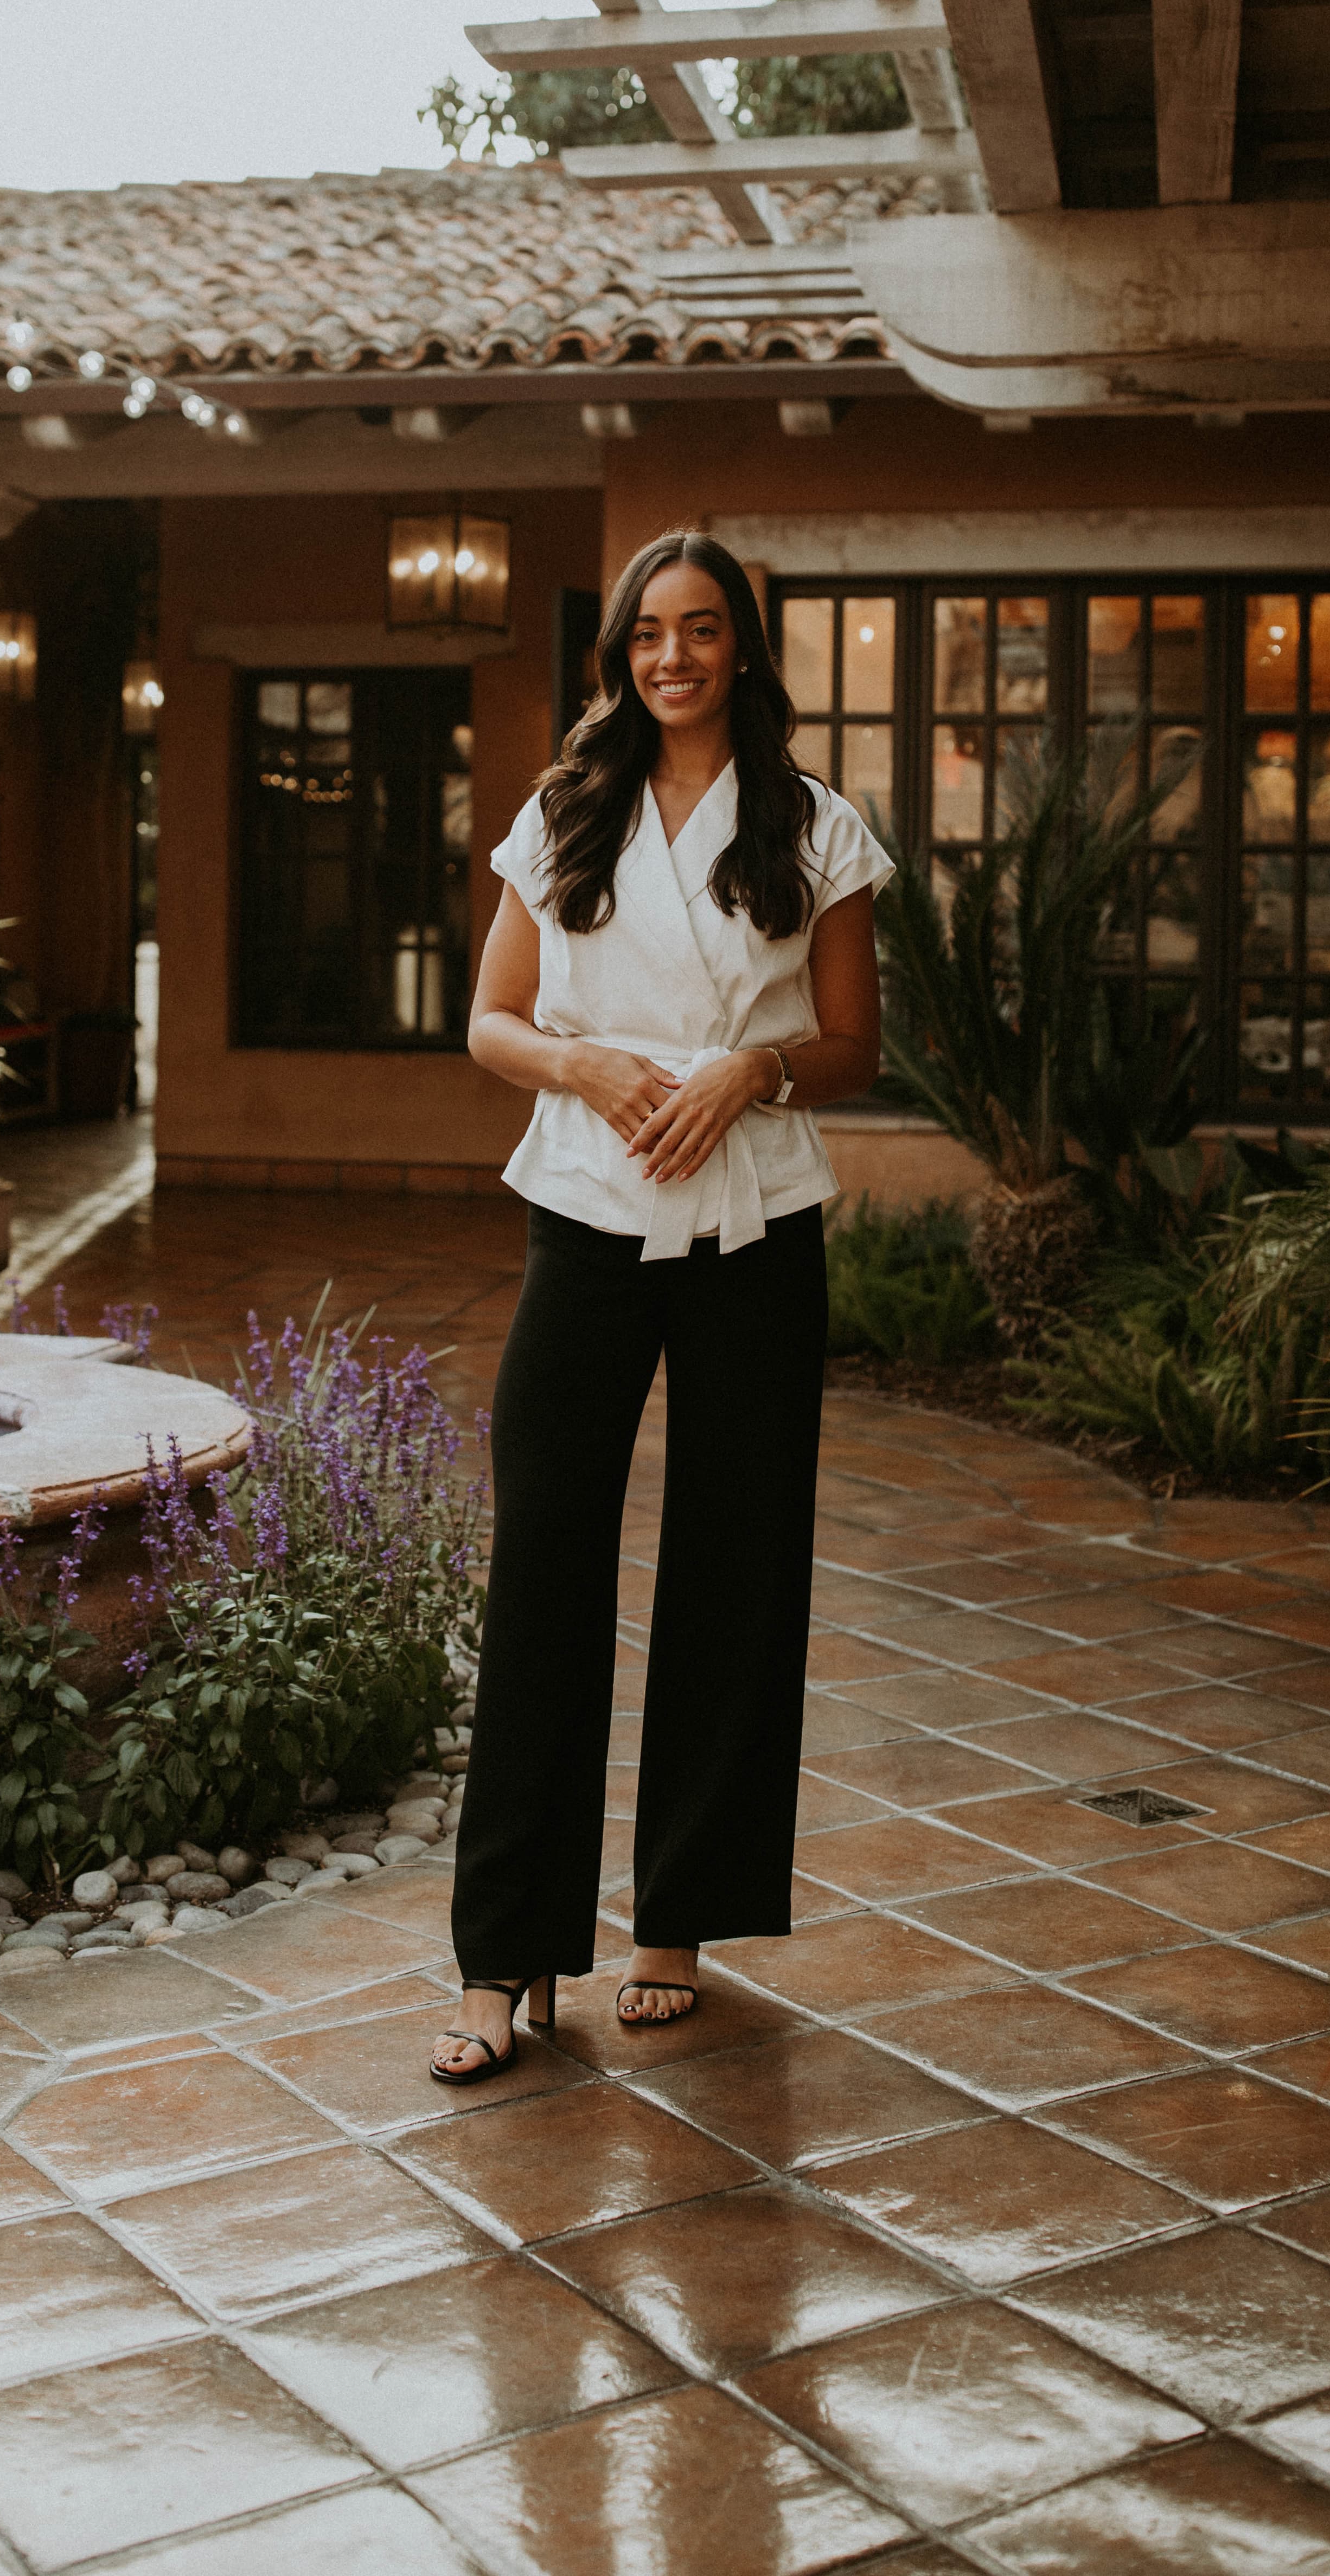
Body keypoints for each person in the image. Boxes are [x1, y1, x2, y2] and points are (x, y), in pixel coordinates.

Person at [430, 529, 889, 2083]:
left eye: (700, 630)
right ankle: (504, 1956)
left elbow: (855, 1045)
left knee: (735, 1567)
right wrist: (583, 1065)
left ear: (741, 648)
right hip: (587, 1208)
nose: (672, 656)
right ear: (619, 653)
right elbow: (490, 1019)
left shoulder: (814, 824)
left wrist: (752, 1070)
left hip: (759, 1225)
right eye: (647, 633)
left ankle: (679, 1922)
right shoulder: (565, 810)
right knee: (545, 1564)